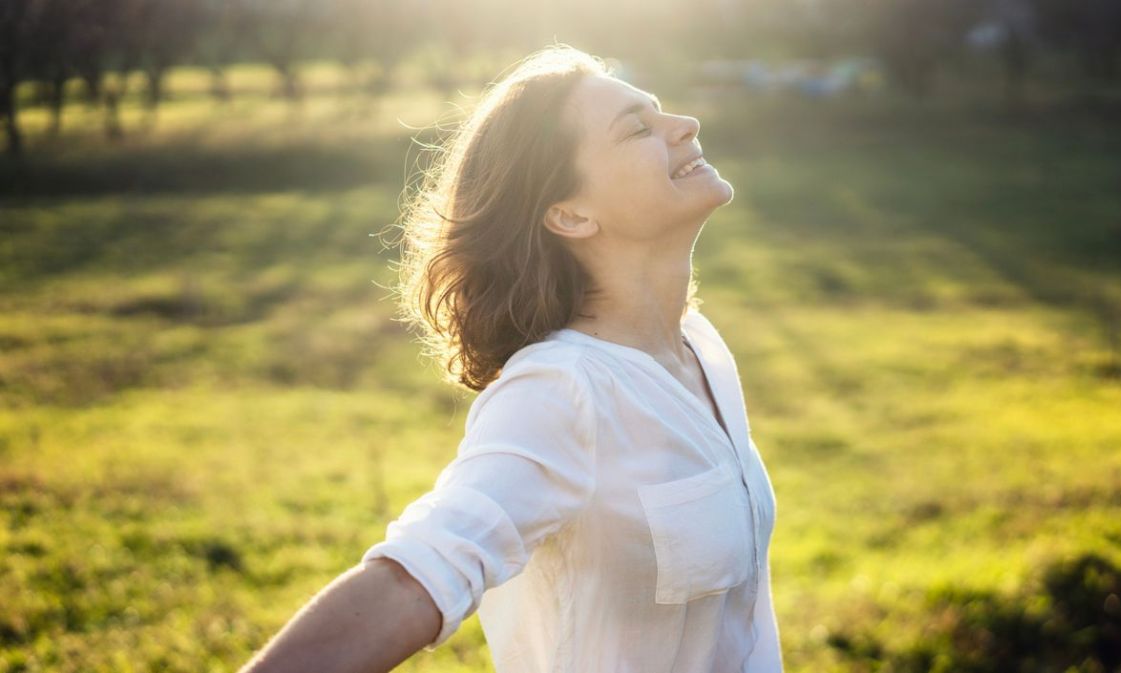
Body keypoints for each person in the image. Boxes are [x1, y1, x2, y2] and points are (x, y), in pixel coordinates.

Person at [238, 43, 782, 673]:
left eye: (659, 112)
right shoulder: (562, 390)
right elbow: (420, 574)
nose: (683, 125)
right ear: (570, 214)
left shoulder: (701, 348)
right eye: (637, 127)